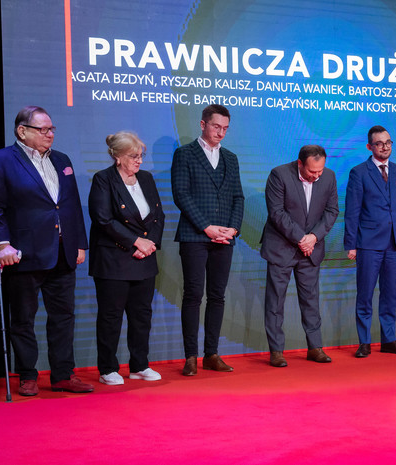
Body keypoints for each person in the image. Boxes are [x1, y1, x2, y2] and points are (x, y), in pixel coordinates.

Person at [0, 106, 93, 396]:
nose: (50, 134)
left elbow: (70, 204)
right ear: (22, 131)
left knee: (63, 317)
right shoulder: (2, 159)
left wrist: (79, 242)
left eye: (52, 129)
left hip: (62, 251)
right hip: (23, 253)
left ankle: (63, 374)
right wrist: (1, 244)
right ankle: (27, 375)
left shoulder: (62, 159)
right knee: (23, 319)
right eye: (43, 129)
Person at [171, 104, 245, 376]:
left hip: (224, 238)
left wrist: (233, 229)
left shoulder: (231, 158)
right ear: (203, 125)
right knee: (193, 295)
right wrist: (206, 227)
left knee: (217, 296)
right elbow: (181, 194)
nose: (221, 132)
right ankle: (190, 356)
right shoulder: (185, 154)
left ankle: (211, 354)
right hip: (194, 235)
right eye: (216, 126)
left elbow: (238, 197)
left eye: (225, 128)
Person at [88, 131, 165, 385]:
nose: (139, 160)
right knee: (111, 316)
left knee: (142, 315)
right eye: (134, 156)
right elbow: (103, 219)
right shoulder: (103, 179)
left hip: (144, 257)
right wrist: (135, 242)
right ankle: (108, 368)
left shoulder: (146, 178)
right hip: (114, 259)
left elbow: (158, 216)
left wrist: (149, 245)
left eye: (141, 155)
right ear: (118, 157)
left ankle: (139, 365)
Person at [261, 144, 339, 367]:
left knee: (311, 300)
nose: (317, 175)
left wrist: (313, 237)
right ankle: (277, 351)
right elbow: (276, 212)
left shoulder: (329, 176)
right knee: (275, 301)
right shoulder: (279, 175)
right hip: (281, 247)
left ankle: (315, 347)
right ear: (299, 164)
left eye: (320, 171)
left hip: (311, 249)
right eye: (312, 171)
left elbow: (332, 211)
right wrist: (301, 238)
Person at [344, 126, 396, 358]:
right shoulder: (359, 172)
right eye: (379, 143)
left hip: (394, 244)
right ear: (369, 147)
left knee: (389, 294)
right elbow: (352, 212)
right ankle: (364, 342)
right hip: (368, 244)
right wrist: (351, 244)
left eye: (388, 142)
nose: (385, 147)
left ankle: (389, 340)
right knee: (365, 294)